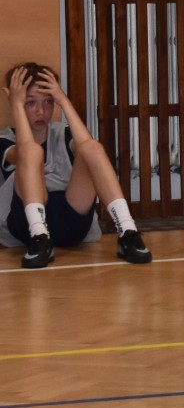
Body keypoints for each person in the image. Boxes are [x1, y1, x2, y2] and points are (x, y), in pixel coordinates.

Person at [2, 61, 151, 269]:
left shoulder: (63, 132)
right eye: (30, 103)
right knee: (31, 151)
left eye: (49, 101)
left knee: (92, 147)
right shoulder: (5, 139)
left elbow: (90, 149)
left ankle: (128, 231)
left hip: (71, 220)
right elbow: (25, 150)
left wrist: (63, 100)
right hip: (26, 227)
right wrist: (16, 105)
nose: (41, 111)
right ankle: (40, 236)